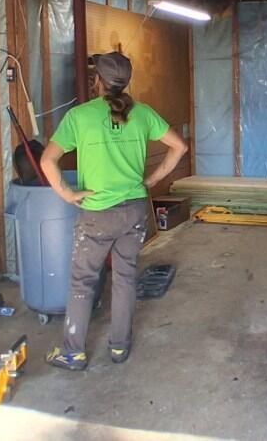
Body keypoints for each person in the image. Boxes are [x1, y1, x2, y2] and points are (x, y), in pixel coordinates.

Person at [40, 52, 188, 370]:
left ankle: (73, 352)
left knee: (83, 282)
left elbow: (46, 160)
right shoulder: (145, 114)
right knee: (124, 279)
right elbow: (180, 146)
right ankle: (119, 347)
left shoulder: (80, 116)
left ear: (98, 81)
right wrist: (153, 179)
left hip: (96, 215)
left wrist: (66, 194)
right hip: (134, 211)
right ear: (126, 81)